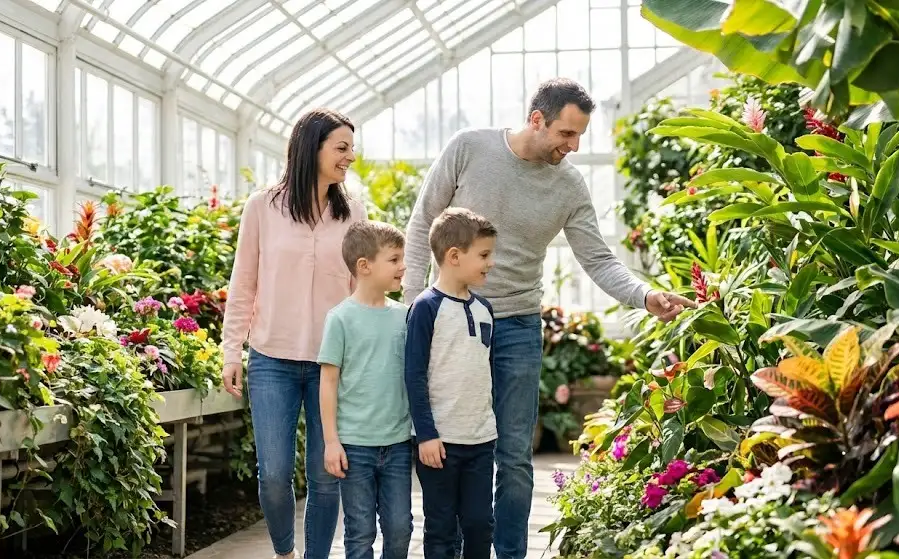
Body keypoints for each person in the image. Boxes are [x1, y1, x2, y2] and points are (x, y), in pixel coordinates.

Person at [402, 78, 697, 559]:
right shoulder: (469, 148)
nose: (573, 146)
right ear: (536, 119)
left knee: (514, 453)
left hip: (516, 322)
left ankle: (511, 554)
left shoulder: (568, 185)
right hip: (449, 320)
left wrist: (645, 297)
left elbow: (598, 259)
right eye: (566, 133)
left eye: (580, 136)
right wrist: (417, 304)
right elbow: (422, 223)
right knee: (448, 442)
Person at [221, 107, 367, 559]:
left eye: (351, 148)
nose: (350, 158)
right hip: (272, 360)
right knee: (273, 475)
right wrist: (231, 351)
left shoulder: (353, 210)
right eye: (341, 148)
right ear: (312, 147)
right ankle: (285, 551)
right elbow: (243, 282)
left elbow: (360, 290)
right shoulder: (262, 207)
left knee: (327, 476)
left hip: (332, 365)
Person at [406, 207, 498, 559]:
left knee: (479, 523)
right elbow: (414, 375)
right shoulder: (425, 307)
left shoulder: (484, 309)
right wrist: (426, 434)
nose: (491, 263)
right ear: (454, 256)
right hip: (439, 444)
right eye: (485, 255)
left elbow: (484, 373)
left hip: (480, 440)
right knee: (441, 528)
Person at [317, 220, 413, 559]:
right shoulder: (340, 318)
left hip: (398, 443)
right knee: (359, 533)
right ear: (364, 266)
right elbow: (328, 382)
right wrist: (331, 442)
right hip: (355, 446)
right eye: (394, 259)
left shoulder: (405, 316)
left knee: (401, 528)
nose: (403, 267)